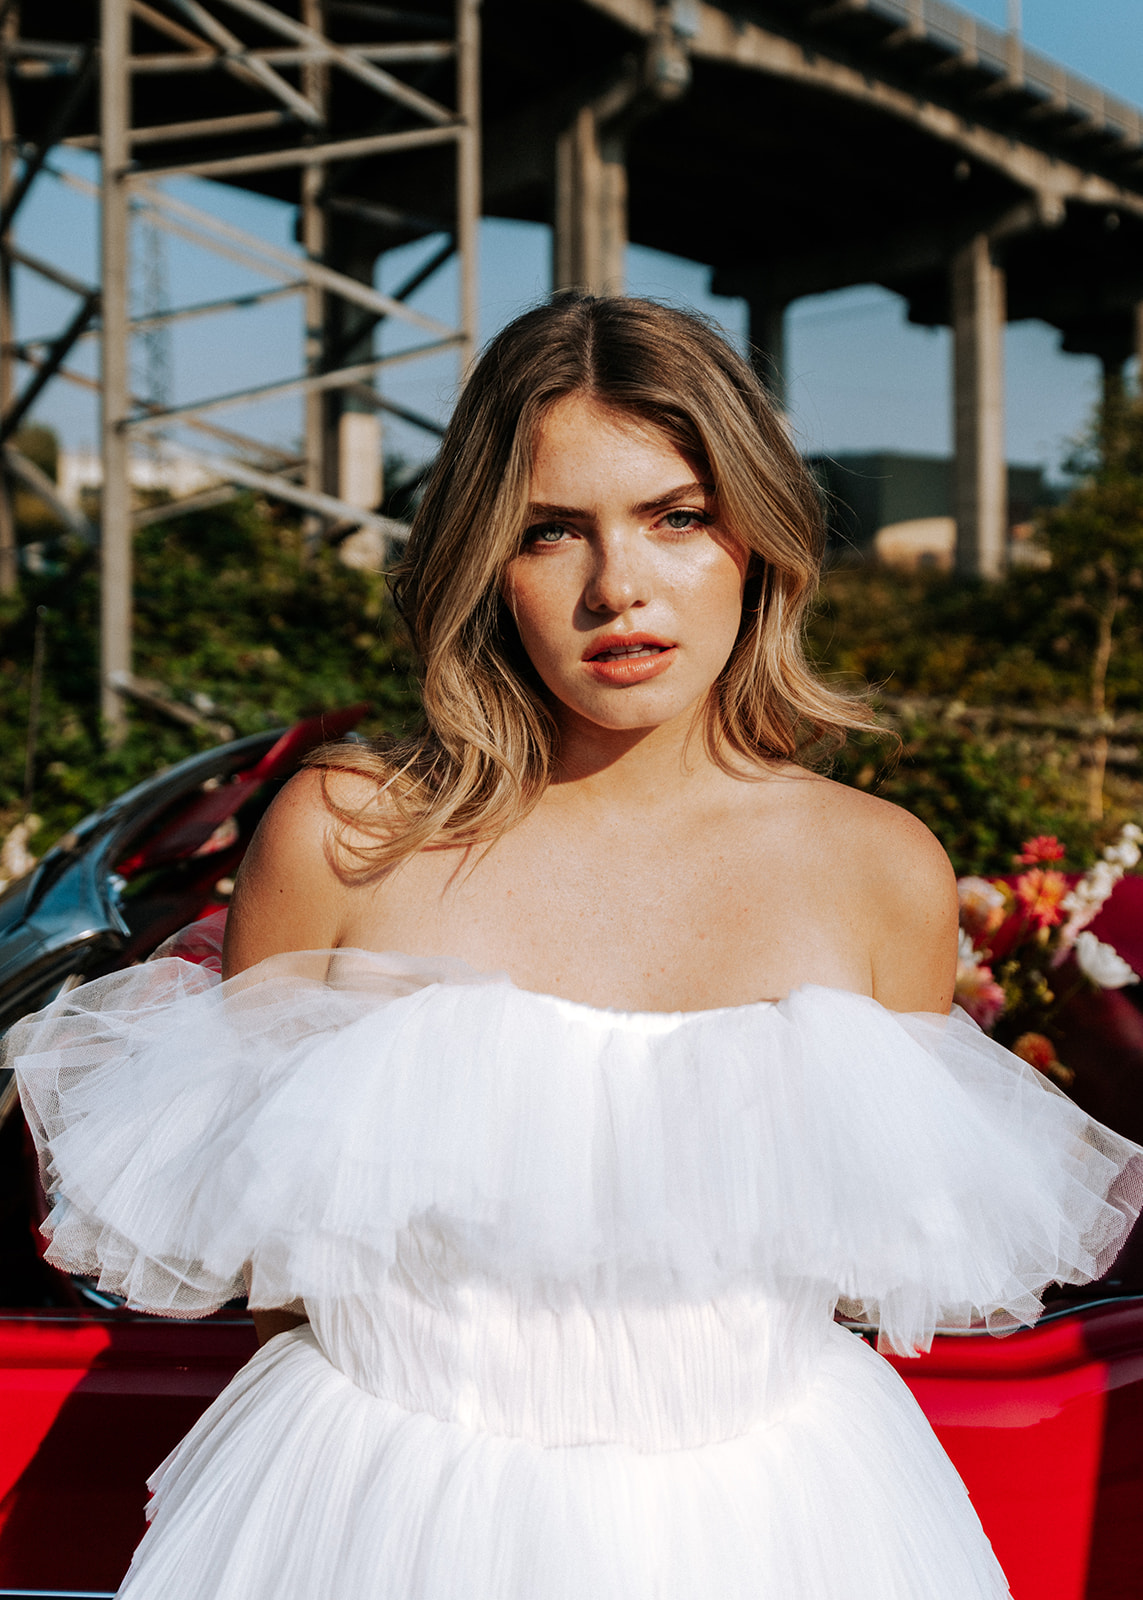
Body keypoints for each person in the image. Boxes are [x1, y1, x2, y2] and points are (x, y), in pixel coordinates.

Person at [8, 293, 1143, 1600]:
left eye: (677, 517)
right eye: (552, 531)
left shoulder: (880, 870)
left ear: (758, 538)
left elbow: (868, 1288)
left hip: (785, 1530)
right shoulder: (339, 837)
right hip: (372, 1519)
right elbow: (281, 1279)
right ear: (485, 564)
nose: (620, 587)